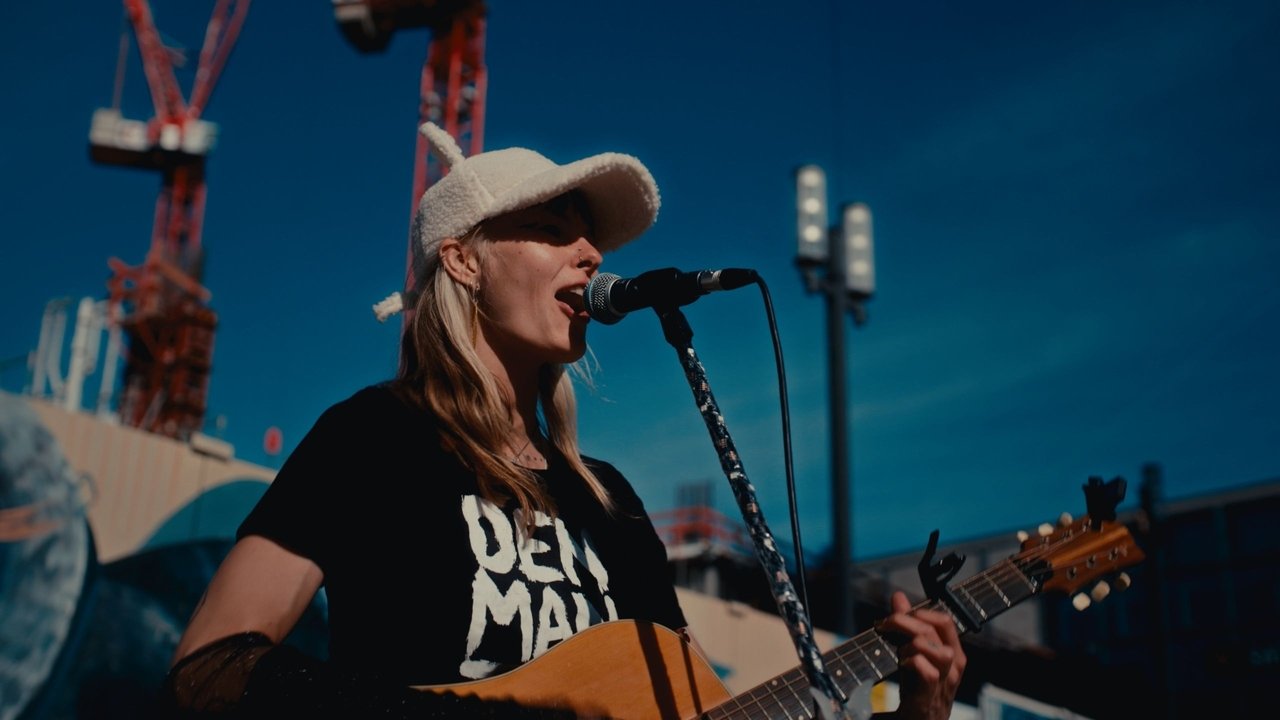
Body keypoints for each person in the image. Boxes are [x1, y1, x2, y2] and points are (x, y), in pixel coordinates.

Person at [161, 123, 966, 719]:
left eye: (590, 238)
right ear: (463, 259)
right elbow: (208, 668)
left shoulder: (611, 501)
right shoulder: (370, 438)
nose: (590, 254)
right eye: (552, 231)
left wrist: (917, 712)